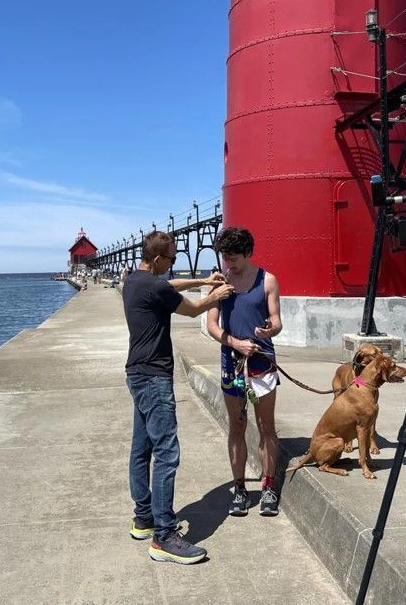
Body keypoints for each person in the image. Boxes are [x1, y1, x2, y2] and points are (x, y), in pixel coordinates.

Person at [123, 230, 234, 564]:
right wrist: (219, 292)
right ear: (158, 260)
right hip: (154, 379)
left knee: (141, 450)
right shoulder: (154, 286)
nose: (173, 266)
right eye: (171, 260)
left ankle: (144, 518)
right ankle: (164, 537)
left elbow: (168, 286)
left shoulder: (133, 280)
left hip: (136, 373)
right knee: (167, 453)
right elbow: (193, 309)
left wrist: (201, 278)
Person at [205, 226, 283, 516]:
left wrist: (267, 330)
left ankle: (268, 486)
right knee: (236, 426)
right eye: (225, 257)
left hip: (262, 360)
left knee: (266, 426)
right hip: (231, 361)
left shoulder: (268, 280)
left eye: (234, 258)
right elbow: (213, 325)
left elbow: (277, 321)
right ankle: (239, 488)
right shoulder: (219, 284)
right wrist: (234, 342)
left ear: (249, 253)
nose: (229, 264)